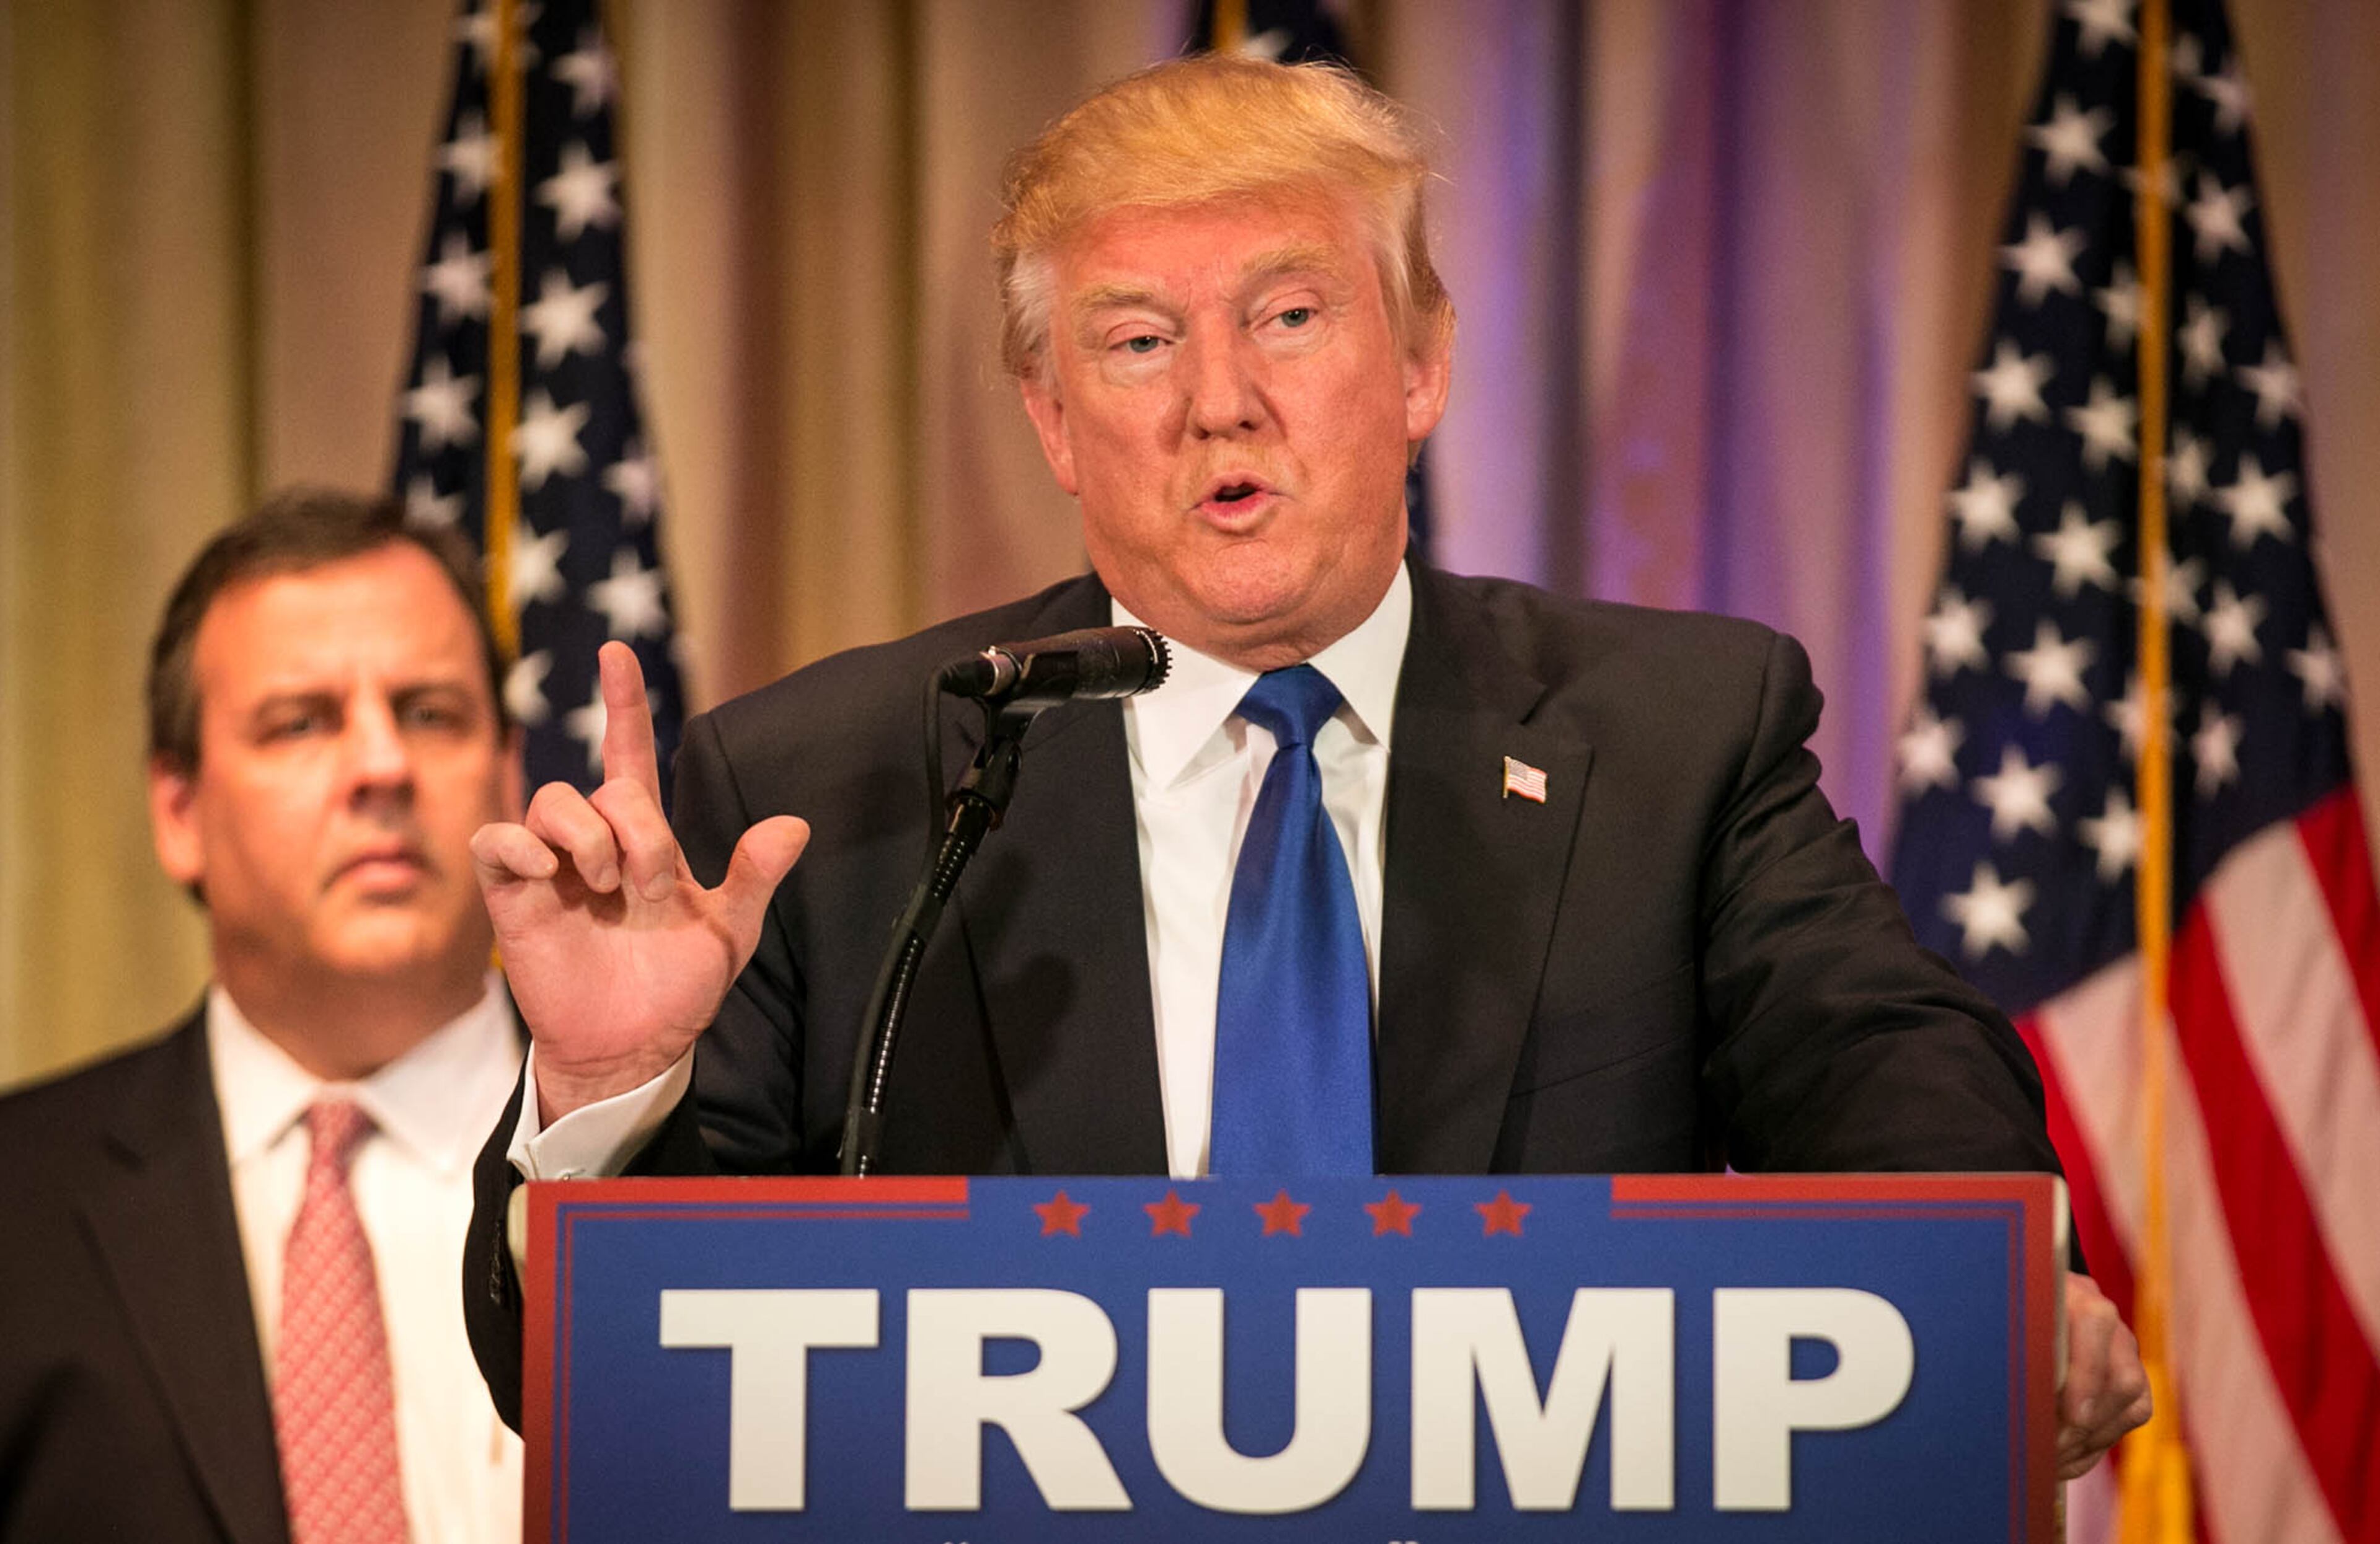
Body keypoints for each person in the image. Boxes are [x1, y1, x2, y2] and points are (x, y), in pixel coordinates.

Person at [463, 55, 2149, 1480]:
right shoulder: (831, 790)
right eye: (1135, 342)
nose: (1222, 403)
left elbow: (1891, 1071)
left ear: (1418, 364)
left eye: (1289, 315)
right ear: (1052, 418)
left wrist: (1981, 1293)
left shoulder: (1672, 736)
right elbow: (586, 1390)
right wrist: (607, 1099)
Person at [0, 490, 528, 1543]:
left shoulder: (686, 1165)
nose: (382, 768)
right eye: (302, 722)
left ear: (509, 777)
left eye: (432, 713)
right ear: (179, 813)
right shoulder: (19, 1199)